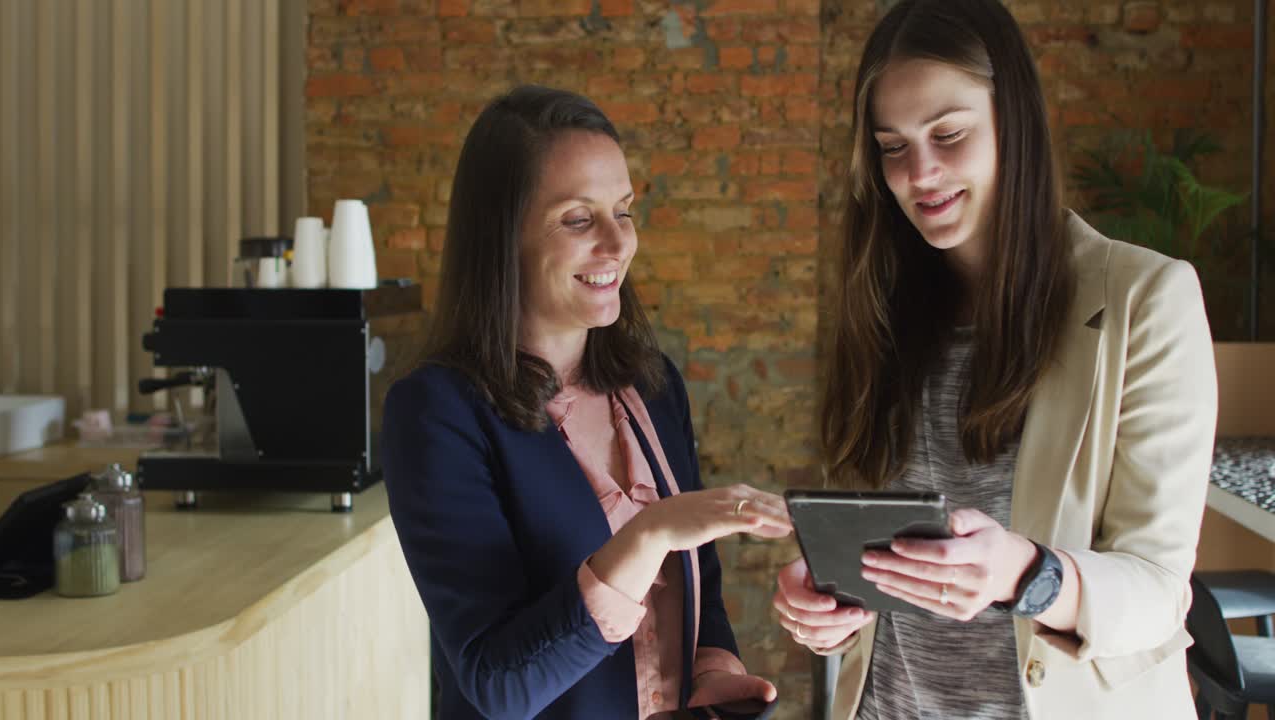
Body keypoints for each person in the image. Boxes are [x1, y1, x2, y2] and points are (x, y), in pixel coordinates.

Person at [770, 1, 1217, 718]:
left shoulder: (1146, 298)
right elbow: (874, 562)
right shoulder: (879, 309)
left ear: (1016, 121)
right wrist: (831, 606)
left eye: (949, 134)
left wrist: (1028, 575)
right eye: (892, 146)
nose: (920, 173)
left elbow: (1160, 591)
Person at [382, 85, 790, 720]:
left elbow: (700, 586)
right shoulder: (436, 413)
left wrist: (714, 671)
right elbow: (497, 683)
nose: (617, 243)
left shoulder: (654, 385)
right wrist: (650, 532)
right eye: (578, 219)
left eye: (623, 212)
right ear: (502, 237)